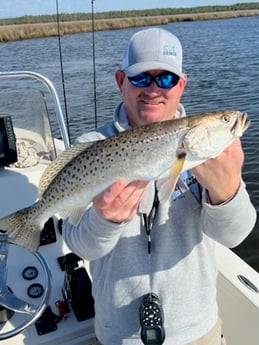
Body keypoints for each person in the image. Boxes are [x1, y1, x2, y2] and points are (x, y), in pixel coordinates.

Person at [62, 28, 256, 345]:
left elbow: (235, 235)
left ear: (181, 84)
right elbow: (79, 244)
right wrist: (104, 221)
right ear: (120, 81)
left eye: (165, 79)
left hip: (197, 330)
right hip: (117, 335)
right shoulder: (91, 147)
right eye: (141, 78)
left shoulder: (209, 150)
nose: (153, 90)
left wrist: (227, 193)